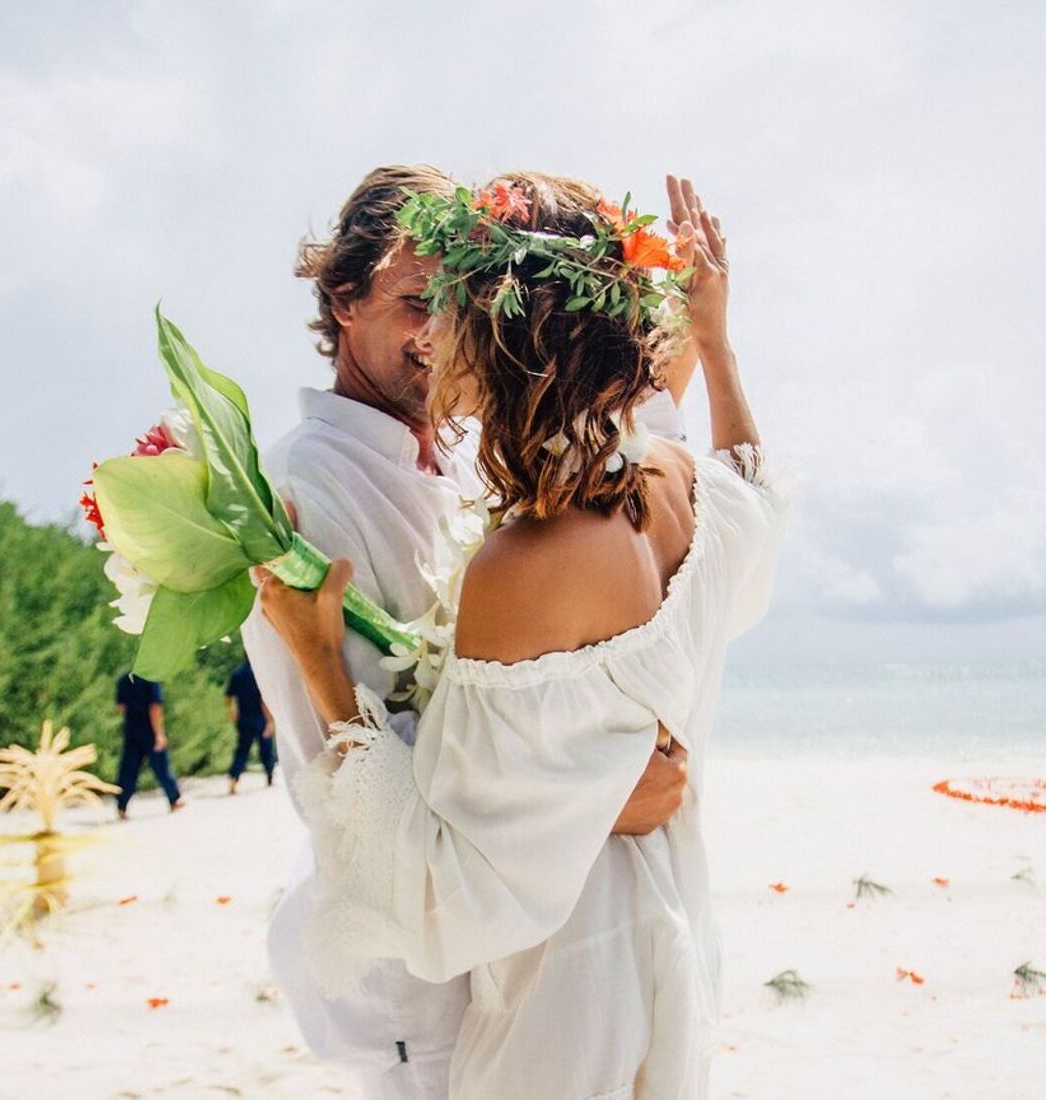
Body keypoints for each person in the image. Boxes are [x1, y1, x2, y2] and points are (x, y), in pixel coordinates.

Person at [256, 172, 791, 1099]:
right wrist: (713, 340)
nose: (434, 334)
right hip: (627, 944)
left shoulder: (521, 540)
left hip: (551, 983)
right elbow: (749, 516)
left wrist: (321, 661)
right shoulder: (683, 486)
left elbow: (447, 883)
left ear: (509, 331)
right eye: (418, 304)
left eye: (451, 306)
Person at [114, 672, 184, 819]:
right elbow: (155, 708)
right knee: (161, 767)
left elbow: (121, 708)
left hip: (131, 730)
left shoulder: (124, 680)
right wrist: (159, 734)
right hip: (150, 731)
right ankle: (174, 799)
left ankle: (122, 806)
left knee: (128, 769)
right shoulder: (151, 679)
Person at [224, 660, 276, 793]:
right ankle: (270, 777)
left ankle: (234, 779)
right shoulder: (260, 673)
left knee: (242, 750)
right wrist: (270, 720)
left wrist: (232, 712)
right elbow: (263, 699)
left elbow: (228, 696)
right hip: (260, 718)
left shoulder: (237, 674)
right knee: (266, 749)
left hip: (244, 718)